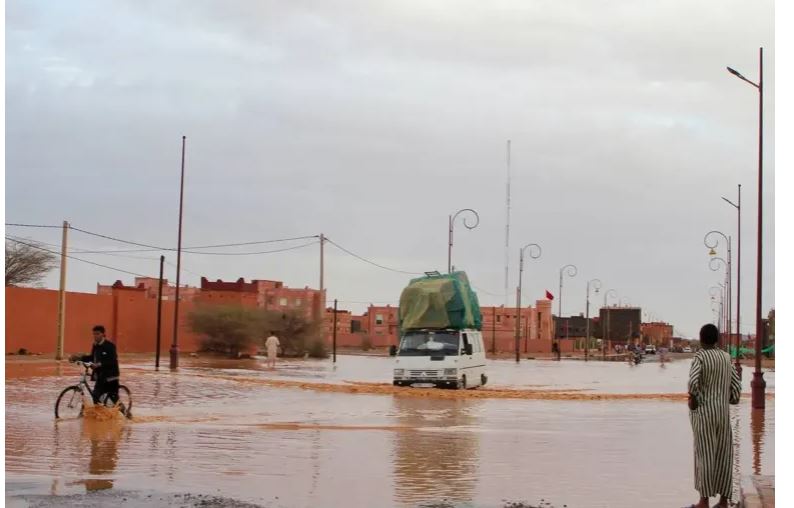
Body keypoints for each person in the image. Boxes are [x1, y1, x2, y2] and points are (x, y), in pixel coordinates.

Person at [685, 323, 742, 508]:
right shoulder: (726, 358)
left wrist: (693, 400)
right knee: (724, 455)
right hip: (723, 415)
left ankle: (704, 501)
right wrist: (731, 399)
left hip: (704, 415)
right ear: (717, 339)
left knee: (705, 455)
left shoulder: (700, 357)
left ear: (701, 339)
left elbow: (693, 382)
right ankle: (724, 501)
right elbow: (736, 387)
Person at [70, 325, 120, 406]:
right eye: (94, 334)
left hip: (111, 376)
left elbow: (113, 361)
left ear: (103, 334)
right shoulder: (95, 345)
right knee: (96, 397)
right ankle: (102, 416)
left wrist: (99, 364)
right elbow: (92, 357)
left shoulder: (110, 346)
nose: (95, 336)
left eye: (97, 334)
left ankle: (127, 415)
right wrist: (79, 358)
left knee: (115, 401)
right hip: (101, 375)